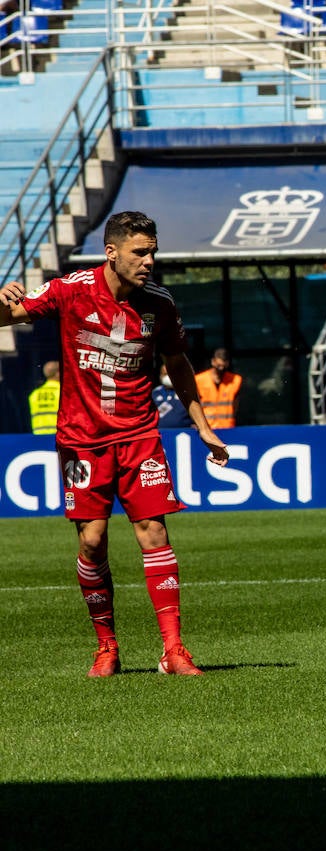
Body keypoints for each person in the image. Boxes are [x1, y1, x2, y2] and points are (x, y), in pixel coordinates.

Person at [0, 211, 230, 677]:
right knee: (93, 539)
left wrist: (202, 426)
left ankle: (173, 650)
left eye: (152, 252)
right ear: (112, 252)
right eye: (139, 252)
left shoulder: (159, 304)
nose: (148, 261)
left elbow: (179, 364)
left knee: (154, 533)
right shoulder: (71, 289)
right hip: (82, 439)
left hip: (139, 434)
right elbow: (7, 316)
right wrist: (1, 300)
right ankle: (106, 646)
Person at [195, 347, 240, 429]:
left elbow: (236, 405)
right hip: (206, 427)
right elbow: (194, 404)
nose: (221, 369)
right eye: (218, 366)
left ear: (227, 364)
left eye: (223, 366)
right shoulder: (199, 379)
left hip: (227, 427)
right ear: (213, 362)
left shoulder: (235, 380)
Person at [28, 359, 59, 434]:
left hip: (38, 437)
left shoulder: (34, 394)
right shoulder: (65, 393)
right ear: (58, 373)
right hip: (59, 436)